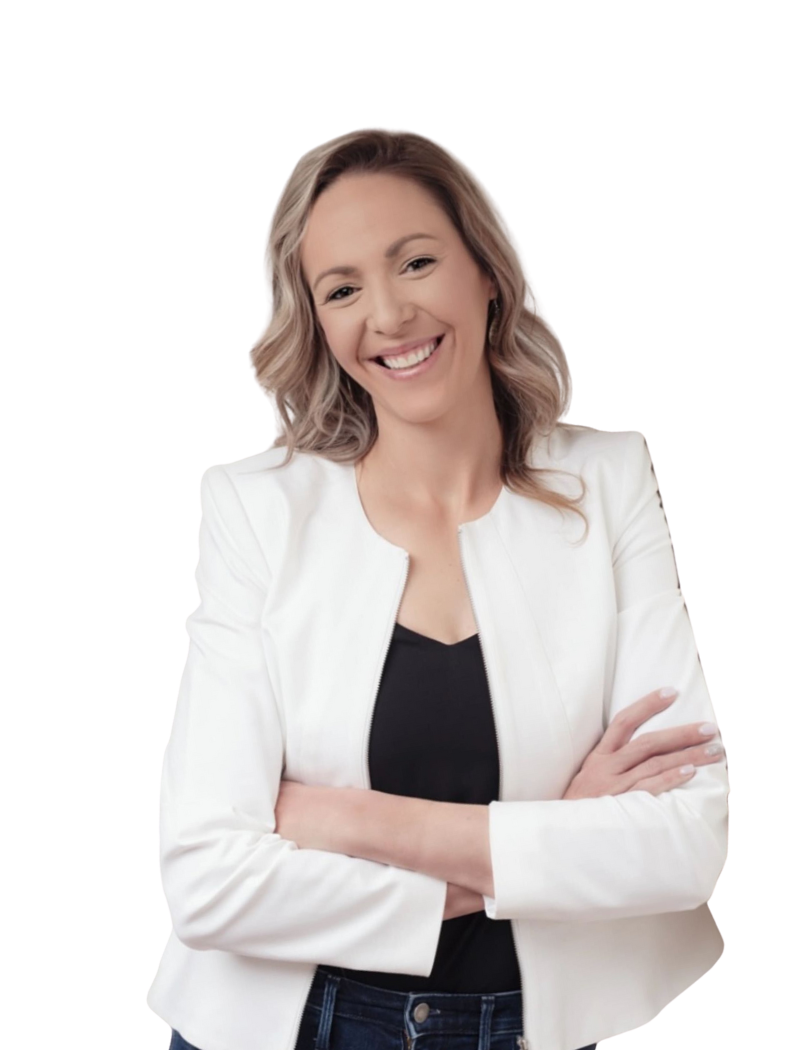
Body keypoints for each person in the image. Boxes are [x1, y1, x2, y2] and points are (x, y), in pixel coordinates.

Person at [146, 127, 729, 1050]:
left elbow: (683, 845)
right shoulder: (254, 506)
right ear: (318, 321)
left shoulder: (609, 478)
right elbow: (209, 881)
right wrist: (555, 836)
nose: (388, 315)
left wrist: (347, 821)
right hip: (298, 1025)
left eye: (415, 262)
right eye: (342, 290)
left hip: (569, 1024)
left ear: (488, 270)